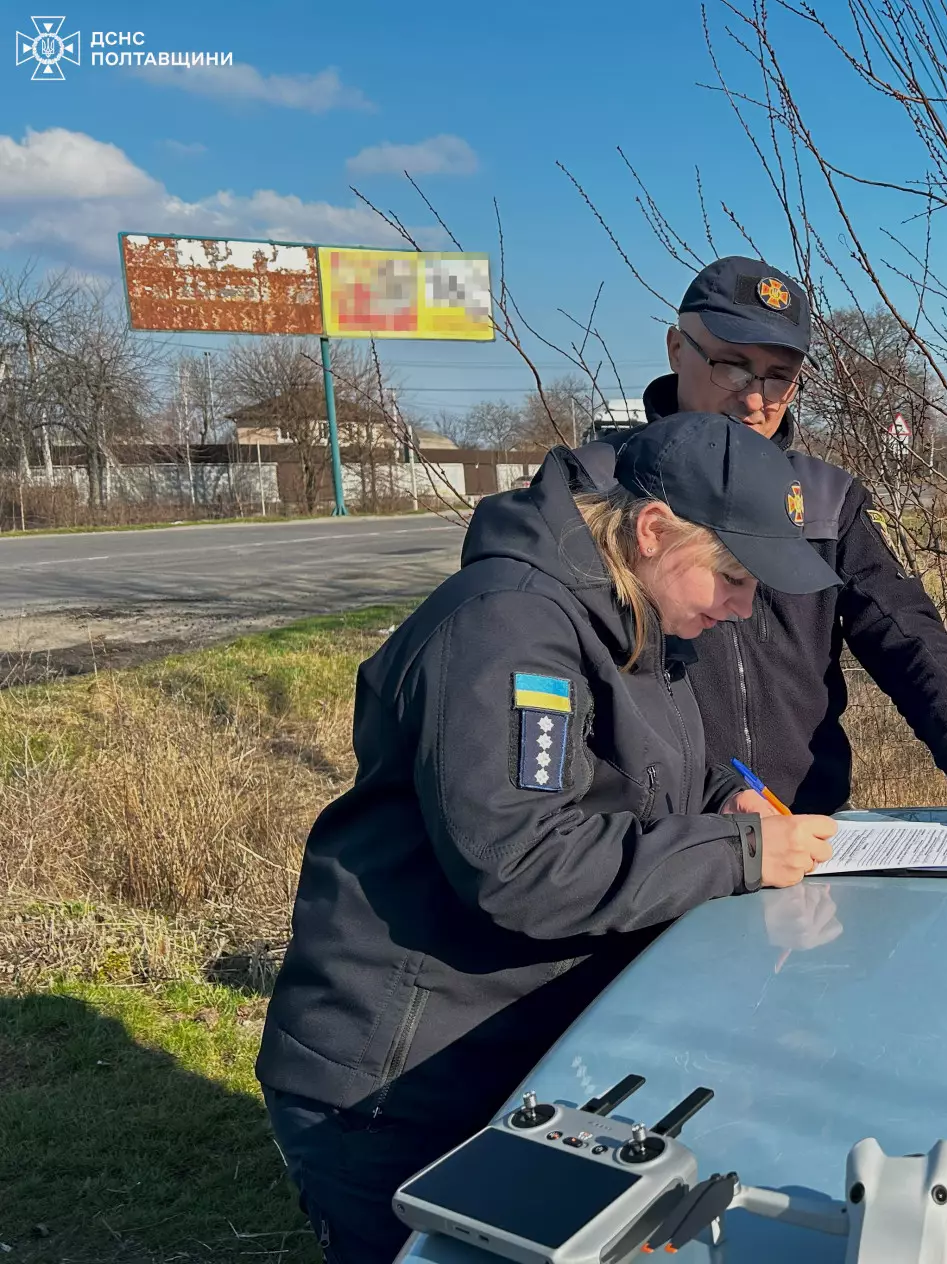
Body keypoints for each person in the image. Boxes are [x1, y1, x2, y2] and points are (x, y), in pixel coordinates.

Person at [255, 413, 843, 1264]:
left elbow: (645, 770)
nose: (743, 609)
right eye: (735, 577)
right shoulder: (510, 628)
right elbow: (523, 863)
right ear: (651, 532)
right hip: (398, 1074)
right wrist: (737, 857)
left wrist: (727, 803)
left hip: (513, 1040)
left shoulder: (635, 618)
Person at [574, 257, 947, 840]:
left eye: (780, 376)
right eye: (733, 367)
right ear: (677, 349)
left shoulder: (826, 498)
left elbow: (903, 628)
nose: (756, 400)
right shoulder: (598, 497)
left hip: (803, 832)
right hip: (652, 846)